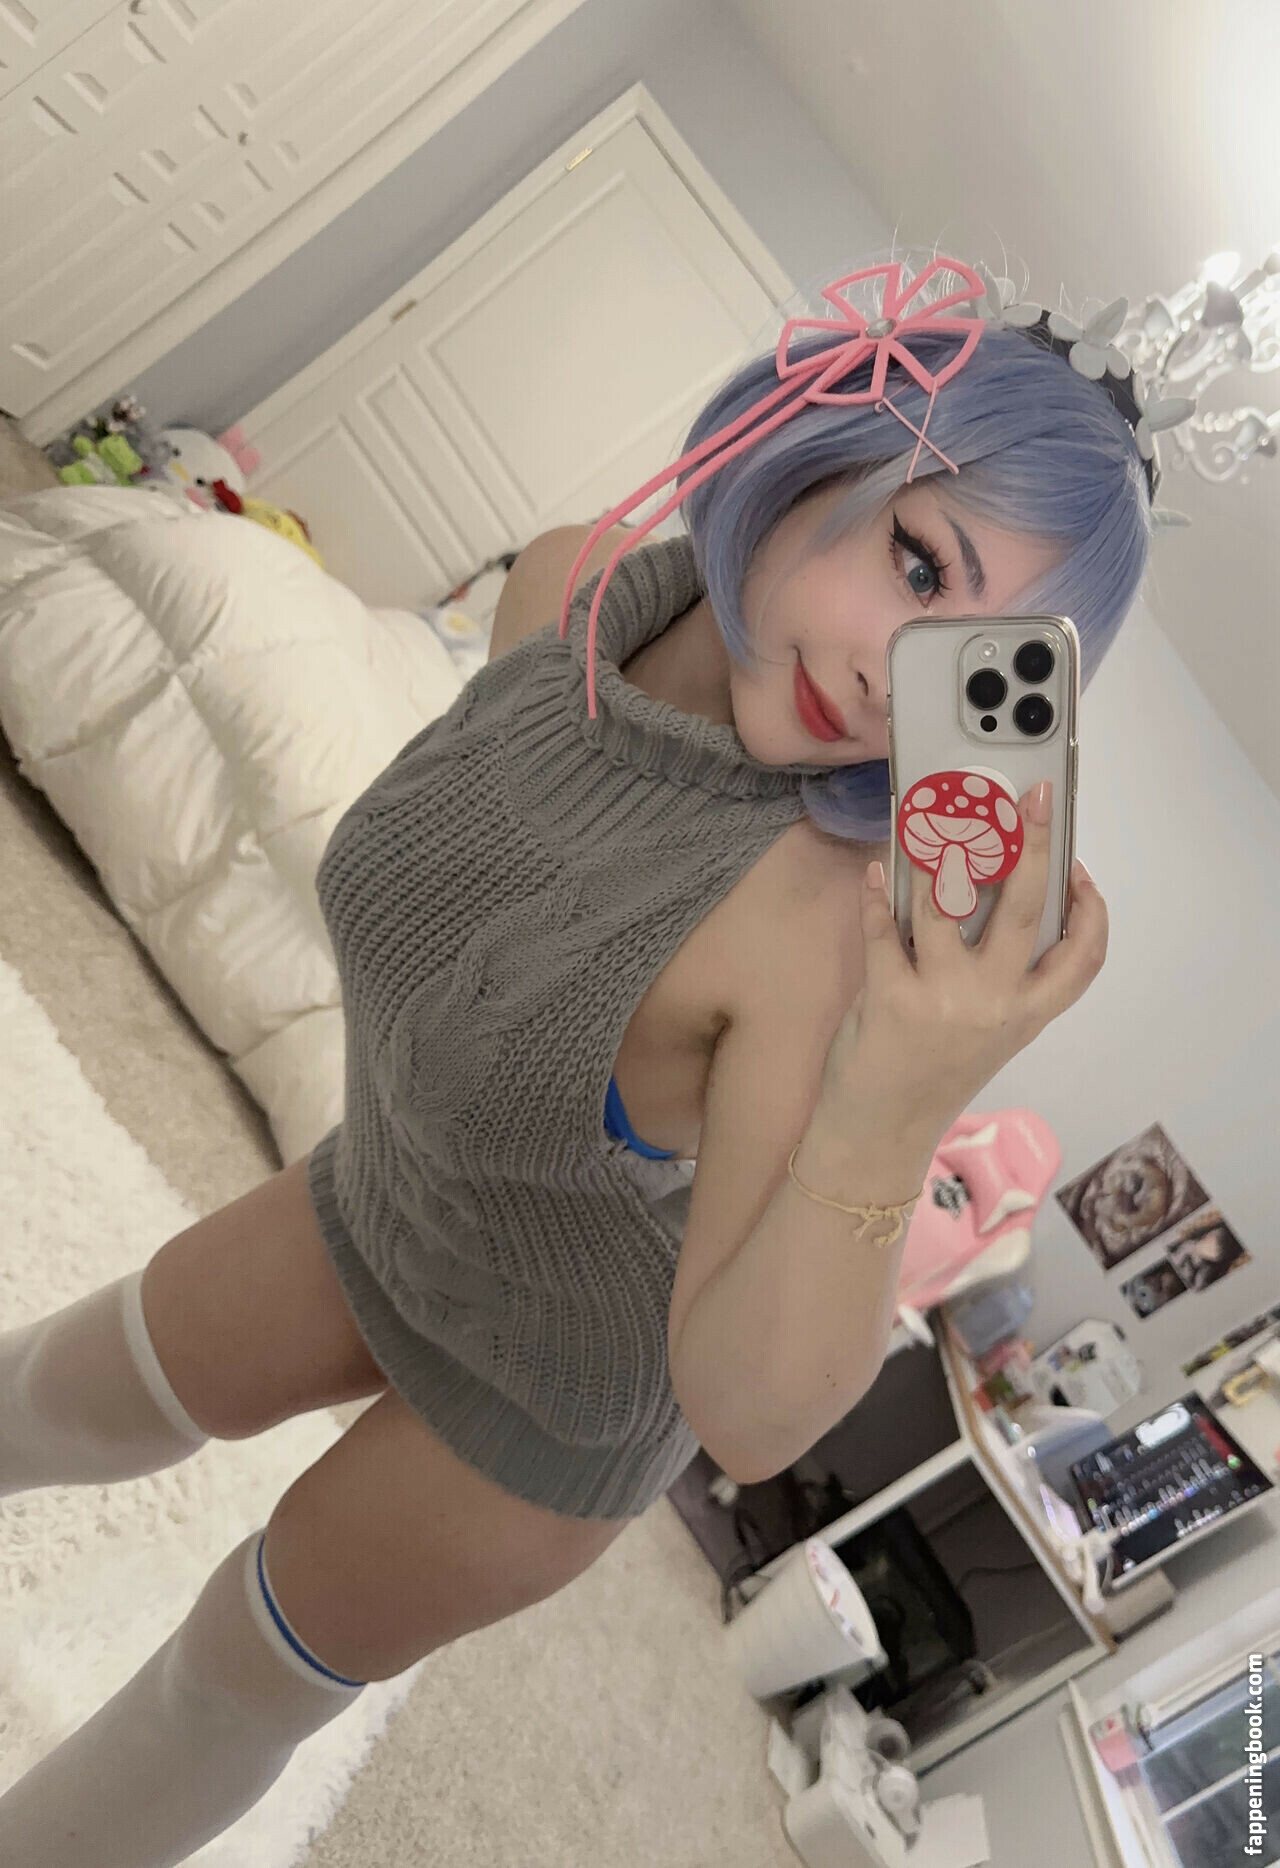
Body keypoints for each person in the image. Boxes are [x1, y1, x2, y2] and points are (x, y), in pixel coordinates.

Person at [0, 249, 1177, 1861]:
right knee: (46, 1395)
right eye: (918, 562)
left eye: (972, 668)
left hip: (547, 1396)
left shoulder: (817, 929)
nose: (889, 685)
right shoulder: (568, 592)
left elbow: (750, 1421)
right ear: (823, 435)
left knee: (219, 1685)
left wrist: (901, 1091)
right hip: (396, 1188)